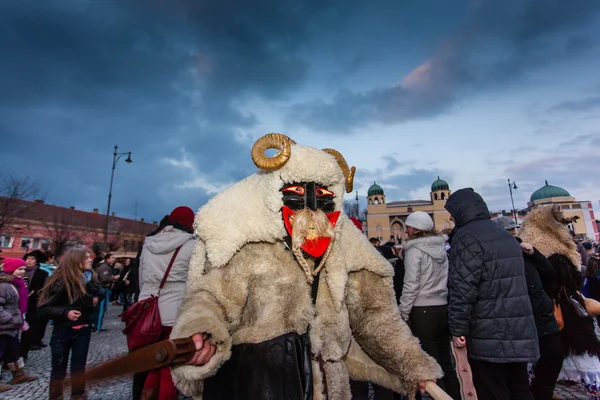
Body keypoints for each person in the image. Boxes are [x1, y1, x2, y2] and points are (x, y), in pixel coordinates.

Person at [169, 134, 442, 400]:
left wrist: (412, 365)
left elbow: (375, 317)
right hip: (261, 384)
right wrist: (202, 330)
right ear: (276, 197)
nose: (311, 209)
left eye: (323, 196)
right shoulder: (252, 249)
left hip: (328, 385)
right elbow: (211, 298)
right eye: (297, 194)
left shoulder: (345, 250)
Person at [445, 188, 538, 400]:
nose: (450, 217)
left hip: (488, 331)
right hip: (518, 328)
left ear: (462, 210)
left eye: (452, 211)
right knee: (520, 389)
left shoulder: (466, 237)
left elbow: (462, 288)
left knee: (493, 390)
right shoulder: (503, 234)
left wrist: (458, 328)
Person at [520, 206, 600, 398]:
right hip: (566, 313)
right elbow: (570, 280)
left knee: (551, 361)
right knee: (567, 355)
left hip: (549, 313)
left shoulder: (533, 253)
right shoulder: (558, 255)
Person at [495, 215, 564, 400]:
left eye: (513, 230)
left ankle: (542, 392)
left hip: (541, 312)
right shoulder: (497, 254)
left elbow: (549, 272)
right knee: (521, 366)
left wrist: (535, 253)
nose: (512, 233)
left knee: (554, 355)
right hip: (520, 314)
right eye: (508, 231)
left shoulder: (526, 250)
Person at [134, 206, 196, 400]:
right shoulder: (190, 244)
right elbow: (193, 279)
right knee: (170, 364)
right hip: (173, 308)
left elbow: (141, 276)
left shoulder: (149, 242)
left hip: (146, 306)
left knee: (149, 360)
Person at [399, 211, 460, 400]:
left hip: (422, 310)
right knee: (446, 363)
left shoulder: (414, 250)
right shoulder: (440, 248)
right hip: (442, 308)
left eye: (408, 226)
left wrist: (403, 312)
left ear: (415, 228)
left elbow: (411, 284)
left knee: (431, 366)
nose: (406, 229)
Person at [38, 248, 104, 400]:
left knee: (79, 368)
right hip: (63, 330)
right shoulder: (60, 280)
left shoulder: (90, 277)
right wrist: (65, 313)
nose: (90, 260)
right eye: (86, 257)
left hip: (84, 329)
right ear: (76, 260)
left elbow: (99, 292)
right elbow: (43, 308)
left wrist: (96, 298)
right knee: (59, 369)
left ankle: (78, 396)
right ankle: (56, 396)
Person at [0, 258, 38, 392]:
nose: (23, 272)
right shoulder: (4, 286)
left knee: (13, 351)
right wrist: (9, 319)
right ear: (11, 270)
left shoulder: (16, 284)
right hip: (4, 327)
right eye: (19, 269)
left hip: (13, 326)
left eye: (23, 269)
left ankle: (19, 375)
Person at [20, 250, 49, 358]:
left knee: (29, 326)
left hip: (33, 302)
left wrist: (35, 291)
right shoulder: (20, 270)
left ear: (37, 261)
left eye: (32, 259)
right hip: (20, 301)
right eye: (28, 259)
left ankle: (25, 350)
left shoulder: (42, 273)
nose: (29, 261)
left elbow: (45, 287)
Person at [95, 253, 117, 332]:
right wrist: (113, 277)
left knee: (102, 308)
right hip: (103, 289)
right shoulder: (104, 267)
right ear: (107, 259)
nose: (113, 259)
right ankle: (98, 326)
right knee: (102, 308)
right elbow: (104, 279)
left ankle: (98, 325)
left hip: (103, 289)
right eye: (112, 257)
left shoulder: (106, 266)